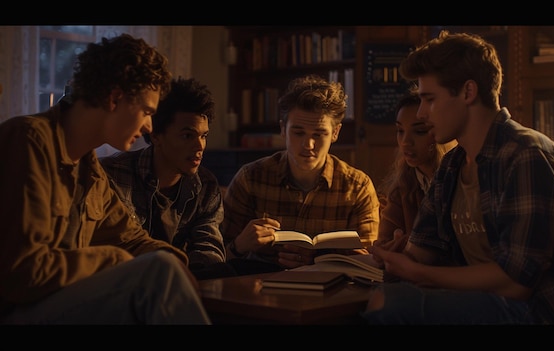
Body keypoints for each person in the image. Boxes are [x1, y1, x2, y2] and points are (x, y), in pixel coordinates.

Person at [363, 30, 554, 325]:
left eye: (429, 99)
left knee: (389, 304)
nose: (421, 112)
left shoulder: (527, 154)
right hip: (491, 302)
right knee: (376, 296)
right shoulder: (452, 166)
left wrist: (419, 273)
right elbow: (423, 251)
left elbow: (516, 283)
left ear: (468, 92)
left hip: (548, 312)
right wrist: (395, 259)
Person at [0, 34, 210, 324]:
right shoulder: (29, 141)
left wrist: (172, 259)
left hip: (60, 305)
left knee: (161, 269)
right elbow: (22, 273)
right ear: (115, 98)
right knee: (154, 274)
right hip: (15, 312)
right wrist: (113, 259)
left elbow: (131, 239)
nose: (150, 126)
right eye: (147, 111)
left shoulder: (91, 172)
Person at [221, 74, 380, 275]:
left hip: (331, 291)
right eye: (298, 133)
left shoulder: (358, 187)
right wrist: (239, 245)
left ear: (335, 133)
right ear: (282, 130)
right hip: (261, 287)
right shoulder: (251, 178)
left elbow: (368, 262)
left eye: (318, 134)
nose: (308, 145)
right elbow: (217, 257)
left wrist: (317, 260)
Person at [100, 76, 236, 279]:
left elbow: (208, 248)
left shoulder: (205, 185)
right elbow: (120, 249)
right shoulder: (114, 175)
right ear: (156, 135)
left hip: (183, 282)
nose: (199, 146)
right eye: (187, 135)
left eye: (204, 136)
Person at [374, 90, 455, 263]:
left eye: (419, 131)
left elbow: (452, 248)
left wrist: (406, 243)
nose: (405, 141)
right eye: (400, 131)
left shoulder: (455, 178)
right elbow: (383, 244)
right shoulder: (404, 184)